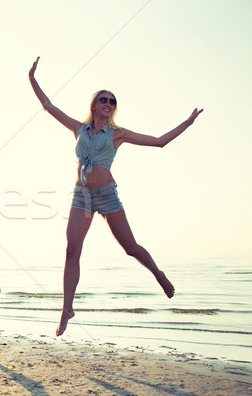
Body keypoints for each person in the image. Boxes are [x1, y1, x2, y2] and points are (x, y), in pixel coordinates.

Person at [28, 57, 203, 336]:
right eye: (104, 100)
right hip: (81, 196)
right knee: (71, 249)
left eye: (112, 101)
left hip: (107, 195)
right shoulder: (78, 128)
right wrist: (32, 77)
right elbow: (48, 106)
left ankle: (158, 274)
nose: (109, 104)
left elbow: (160, 141)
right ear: (94, 105)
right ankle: (67, 309)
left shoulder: (118, 134)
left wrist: (188, 122)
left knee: (130, 247)